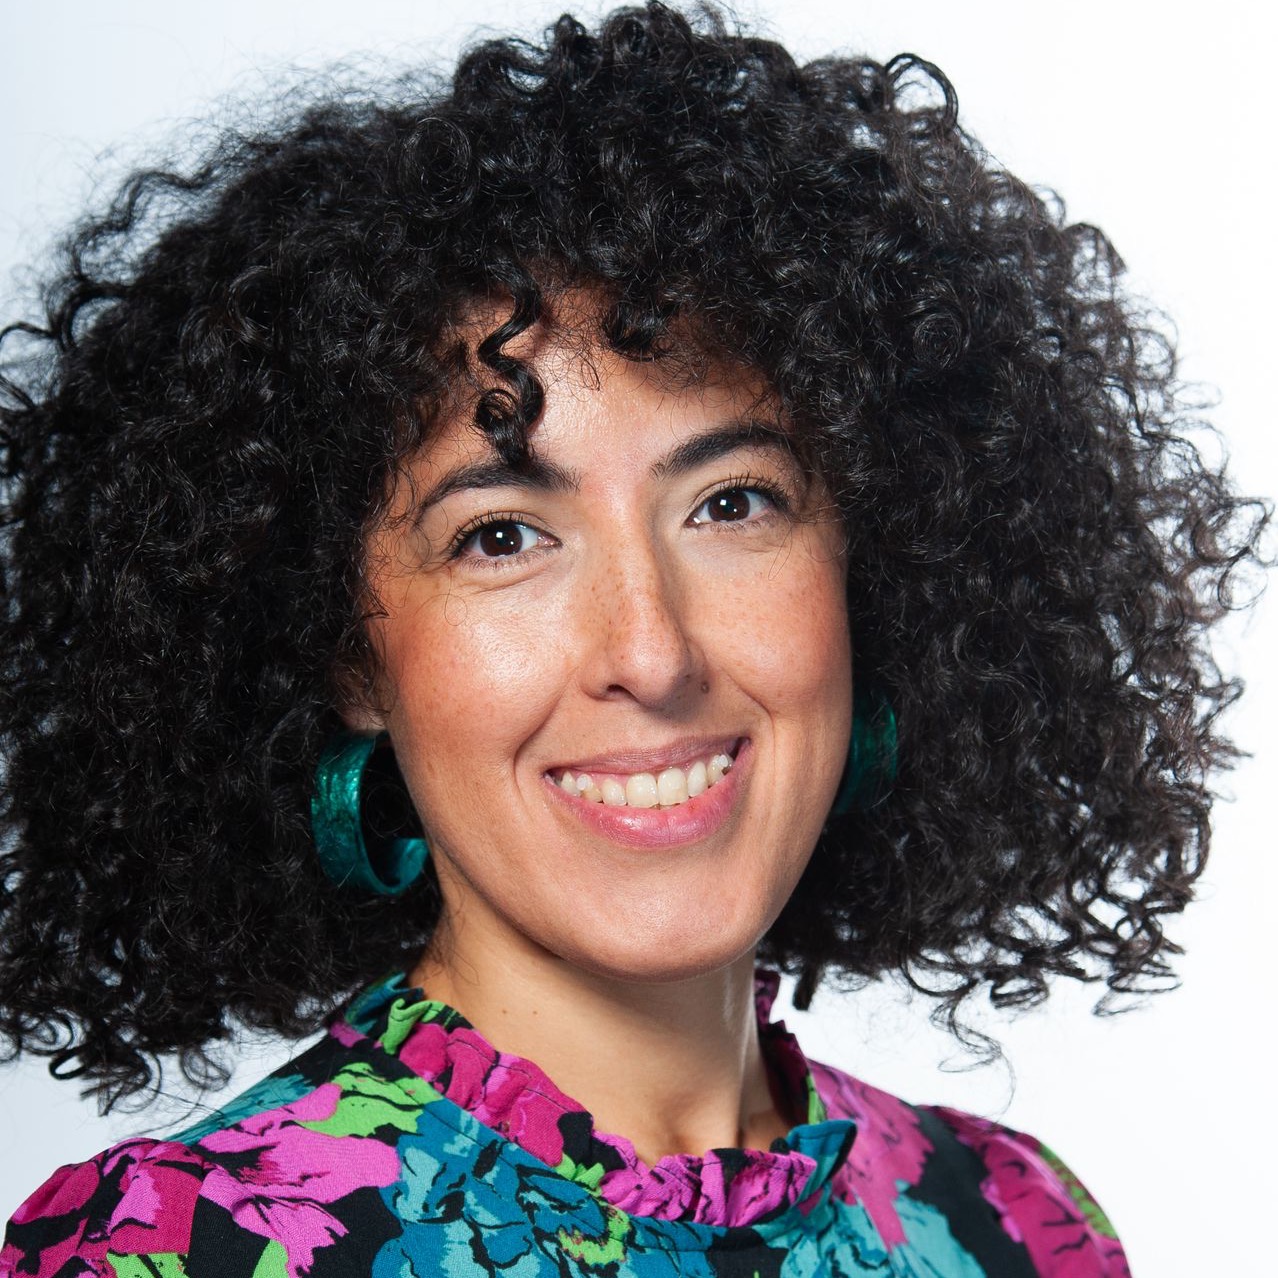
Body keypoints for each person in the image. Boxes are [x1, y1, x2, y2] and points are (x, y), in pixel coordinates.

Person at [0, 3, 1264, 1274]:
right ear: (345, 654)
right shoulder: (171, 1252)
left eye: (732, 504)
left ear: (877, 564)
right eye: (501, 536)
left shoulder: (1014, 1226)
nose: (652, 655)